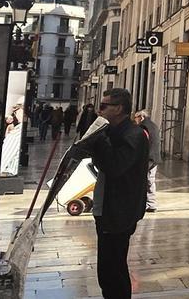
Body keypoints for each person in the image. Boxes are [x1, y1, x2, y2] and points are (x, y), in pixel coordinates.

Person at [70, 88, 150, 299]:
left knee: (113, 266)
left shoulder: (133, 135)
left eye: (104, 106)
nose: (100, 110)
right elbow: (102, 163)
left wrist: (100, 139)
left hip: (119, 211)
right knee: (106, 267)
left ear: (119, 109)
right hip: (107, 207)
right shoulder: (116, 133)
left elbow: (115, 166)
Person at [133, 110, 160, 212]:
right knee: (150, 180)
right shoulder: (153, 125)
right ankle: (150, 203)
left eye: (136, 118)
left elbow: (141, 143)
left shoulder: (143, 127)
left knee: (146, 180)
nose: (135, 120)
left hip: (147, 158)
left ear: (141, 117)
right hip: (154, 157)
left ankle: (149, 204)